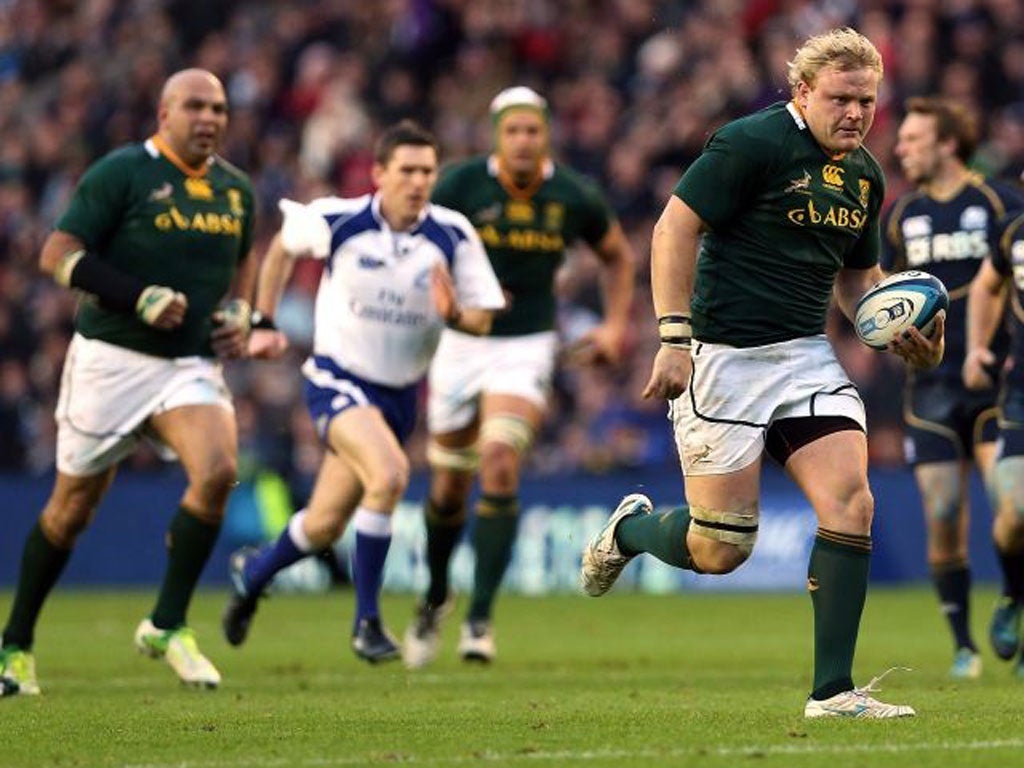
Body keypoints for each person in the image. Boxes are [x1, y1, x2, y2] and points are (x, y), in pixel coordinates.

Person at [580, 28, 943, 718]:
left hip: (805, 357)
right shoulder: (751, 143)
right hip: (723, 356)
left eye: (867, 100)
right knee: (721, 551)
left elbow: (857, 278)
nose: (856, 114)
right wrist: (672, 337)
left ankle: (833, 692)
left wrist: (899, 327)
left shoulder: (864, 173)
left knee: (852, 503)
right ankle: (630, 531)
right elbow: (672, 229)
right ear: (802, 91)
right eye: (841, 99)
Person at [0, 69, 256, 696]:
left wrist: (245, 315)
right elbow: (56, 252)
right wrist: (134, 296)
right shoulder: (122, 173)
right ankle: (15, 645)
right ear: (164, 111)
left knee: (219, 470)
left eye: (218, 108)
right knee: (71, 510)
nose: (209, 118)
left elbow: (243, 263)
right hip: (112, 359)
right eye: (195, 106)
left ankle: (167, 623)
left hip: (188, 365)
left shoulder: (235, 190)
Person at [221, 120, 504, 663]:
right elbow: (281, 248)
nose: (419, 181)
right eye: (407, 170)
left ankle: (252, 575)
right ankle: (366, 621)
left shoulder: (452, 234)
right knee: (391, 473)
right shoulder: (340, 218)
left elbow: (484, 320)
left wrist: (457, 316)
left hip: (398, 399)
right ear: (379, 174)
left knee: (324, 523)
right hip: (337, 381)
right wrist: (262, 320)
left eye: (427, 170)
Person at [403, 86, 635, 669]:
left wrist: (612, 326)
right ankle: (435, 596)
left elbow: (617, 255)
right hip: (460, 344)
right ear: (496, 135)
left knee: (500, 461)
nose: (524, 140)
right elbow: (415, 243)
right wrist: (445, 295)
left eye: (533, 130)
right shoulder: (459, 186)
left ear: (546, 134)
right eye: (514, 131)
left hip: (527, 345)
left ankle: (479, 618)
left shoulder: (571, 195)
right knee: (448, 489)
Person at [882, 96, 1024, 679]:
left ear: (947, 143)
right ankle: (964, 646)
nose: (901, 148)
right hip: (931, 388)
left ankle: (1012, 601)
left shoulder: (999, 204)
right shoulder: (899, 217)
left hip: (993, 385)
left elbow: (1004, 283)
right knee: (943, 511)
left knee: (1012, 508)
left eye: (913, 139)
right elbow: (881, 297)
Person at [963, 207, 1024, 679]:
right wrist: (977, 347)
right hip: (1020, 394)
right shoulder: (1014, 233)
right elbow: (986, 285)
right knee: (1015, 515)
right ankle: (1012, 592)